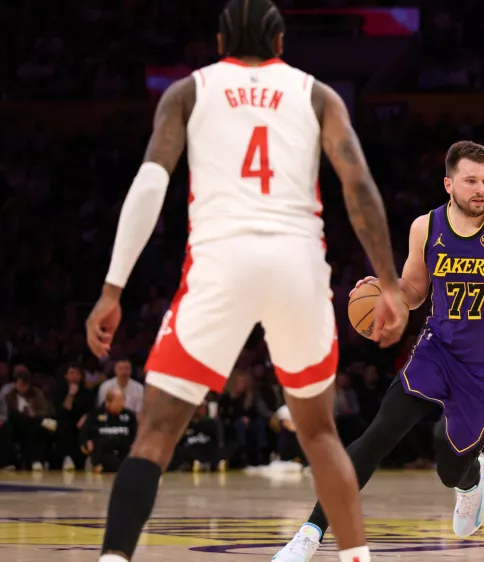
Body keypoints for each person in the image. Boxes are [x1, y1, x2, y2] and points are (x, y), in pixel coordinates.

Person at [82, 1, 408, 561]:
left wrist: (113, 289)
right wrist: (390, 282)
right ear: (280, 44)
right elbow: (358, 186)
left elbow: (149, 186)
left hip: (220, 263)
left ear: (219, 43)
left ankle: (114, 559)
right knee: (320, 436)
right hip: (297, 264)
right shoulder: (317, 94)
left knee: (155, 433)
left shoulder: (188, 92)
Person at [273, 140, 484, 562]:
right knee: (377, 435)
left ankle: (471, 480)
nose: (480, 190)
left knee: (449, 467)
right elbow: (414, 291)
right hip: (439, 350)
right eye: (470, 181)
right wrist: (388, 293)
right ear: (448, 184)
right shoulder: (426, 227)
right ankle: (310, 533)